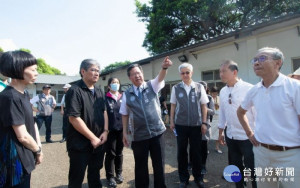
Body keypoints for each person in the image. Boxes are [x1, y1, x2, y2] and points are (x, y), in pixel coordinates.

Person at [237, 47, 300, 188]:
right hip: (262, 153)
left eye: (262, 58)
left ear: (278, 63)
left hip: (290, 155)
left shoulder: (294, 87)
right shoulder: (254, 90)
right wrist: (249, 133)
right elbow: (240, 112)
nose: (256, 63)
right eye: (255, 60)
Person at [120, 56, 172, 188]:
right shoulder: (127, 94)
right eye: (133, 74)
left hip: (157, 133)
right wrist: (125, 133)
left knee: (159, 164)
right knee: (140, 167)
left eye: (139, 73)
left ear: (142, 74)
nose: (137, 76)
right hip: (139, 136)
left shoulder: (152, 86)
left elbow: (160, 77)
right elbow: (124, 114)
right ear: (130, 78)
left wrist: (164, 67)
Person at [0, 50, 43, 187]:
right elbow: (22, 136)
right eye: (33, 69)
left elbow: (31, 122)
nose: (36, 73)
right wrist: (37, 150)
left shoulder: (23, 94)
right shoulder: (10, 97)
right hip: (14, 163)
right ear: (18, 69)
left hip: (25, 155)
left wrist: (38, 145)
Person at [65, 59, 109, 188]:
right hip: (80, 144)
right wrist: (92, 138)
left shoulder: (99, 91)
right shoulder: (75, 90)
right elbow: (74, 118)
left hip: (99, 142)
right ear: (83, 71)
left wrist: (105, 131)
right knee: (76, 178)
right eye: (93, 70)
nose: (96, 73)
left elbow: (104, 111)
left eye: (98, 71)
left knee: (95, 175)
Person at [218, 60, 256, 188]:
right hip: (231, 135)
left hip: (248, 137)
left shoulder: (249, 88)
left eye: (224, 71)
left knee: (253, 168)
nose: (221, 74)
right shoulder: (223, 91)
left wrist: (257, 134)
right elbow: (222, 113)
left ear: (234, 72)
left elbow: (257, 113)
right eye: (220, 71)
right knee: (235, 166)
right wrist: (221, 132)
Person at [169, 63, 208, 188]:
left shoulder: (199, 87)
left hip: (196, 125)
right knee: (181, 152)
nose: (185, 75)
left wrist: (204, 122)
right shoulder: (176, 88)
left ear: (191, 73)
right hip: (181, 125)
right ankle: (183, 179)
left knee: (196, 152)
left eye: (187, 72)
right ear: (180, 74)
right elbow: (173, 105)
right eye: (182, 73)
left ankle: (198, 178)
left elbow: (204, 106)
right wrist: (171, 121)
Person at [104, 77, 124, 188]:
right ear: (108, 86)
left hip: (121, 129)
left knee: (119, 152)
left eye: (117, 82)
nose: (115, 84)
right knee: (110, 154)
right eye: (113, 83)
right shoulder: (105, 98)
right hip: (110, 130)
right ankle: (110, 176)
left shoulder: (123, 97)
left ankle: (119, 173)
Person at [199, 81, 215, 176]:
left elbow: (212, 112)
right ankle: (191, 162)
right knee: (193, 147)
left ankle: (203, 165)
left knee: (204, 147)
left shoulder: (209, 98)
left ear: (206, 88)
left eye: (203, 87)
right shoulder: (195, 97)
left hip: (205, 125)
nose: (201, 88)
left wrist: (204, 108)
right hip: (195, 125)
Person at [210, 86, 222, 153]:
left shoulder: (220, 98)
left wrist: (218, 105)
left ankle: (217, 147)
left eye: (216, 93)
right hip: (211, 117)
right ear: (211, 93)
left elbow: (223, 107)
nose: (214, 95)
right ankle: (206, 149)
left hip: (218, 118)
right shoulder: (208, 98)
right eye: (213, 93)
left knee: (217, 134)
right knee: (208, 134)